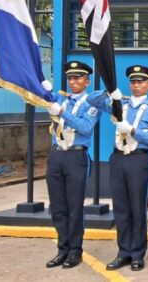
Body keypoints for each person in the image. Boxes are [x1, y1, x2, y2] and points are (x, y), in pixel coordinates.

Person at [87, 65, 148, 272]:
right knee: (120, 208)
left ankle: (137, 254)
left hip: (138, 159)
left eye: (140, 82)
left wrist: (132, 130)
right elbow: (91, 100)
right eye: (133, 82)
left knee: (138, 208)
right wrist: (109, 92)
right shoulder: (119, 103)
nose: (136, 85)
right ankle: (123, 252)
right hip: (118, 158)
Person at [44, 61, 100, 269]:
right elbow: (41, 98)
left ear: (87, 81)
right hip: (57, 155)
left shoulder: (91, 103)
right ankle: (62, 249)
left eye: (77, 78)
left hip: (76, 157)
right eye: (70, 78)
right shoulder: (60, 98)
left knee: (74, 207)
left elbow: (85, 127)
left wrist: (63, 113)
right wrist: (44, 88)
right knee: (58, 206)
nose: (73, 81)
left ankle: (75, 251)